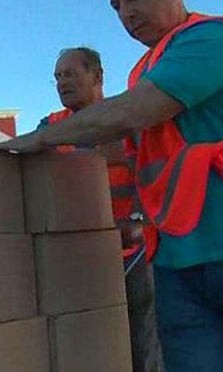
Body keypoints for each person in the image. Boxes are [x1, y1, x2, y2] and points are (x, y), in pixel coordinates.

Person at [0, 0, 223, 371]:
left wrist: (38, 140)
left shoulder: (212, 38)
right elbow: (133, 149)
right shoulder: (145, 70)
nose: (126, 14)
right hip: (175, 260)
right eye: (116, 5)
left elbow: (133, 112)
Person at [42, 46, 162, 372]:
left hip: (131, 252)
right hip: (79, 252)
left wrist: (137, 223)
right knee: (87, 340)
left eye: (70, 74)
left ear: (97, 77)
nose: (61, 82)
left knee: (140, 338)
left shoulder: (128, 121)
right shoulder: (50, 126)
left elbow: (152, 177)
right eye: (57, 77)